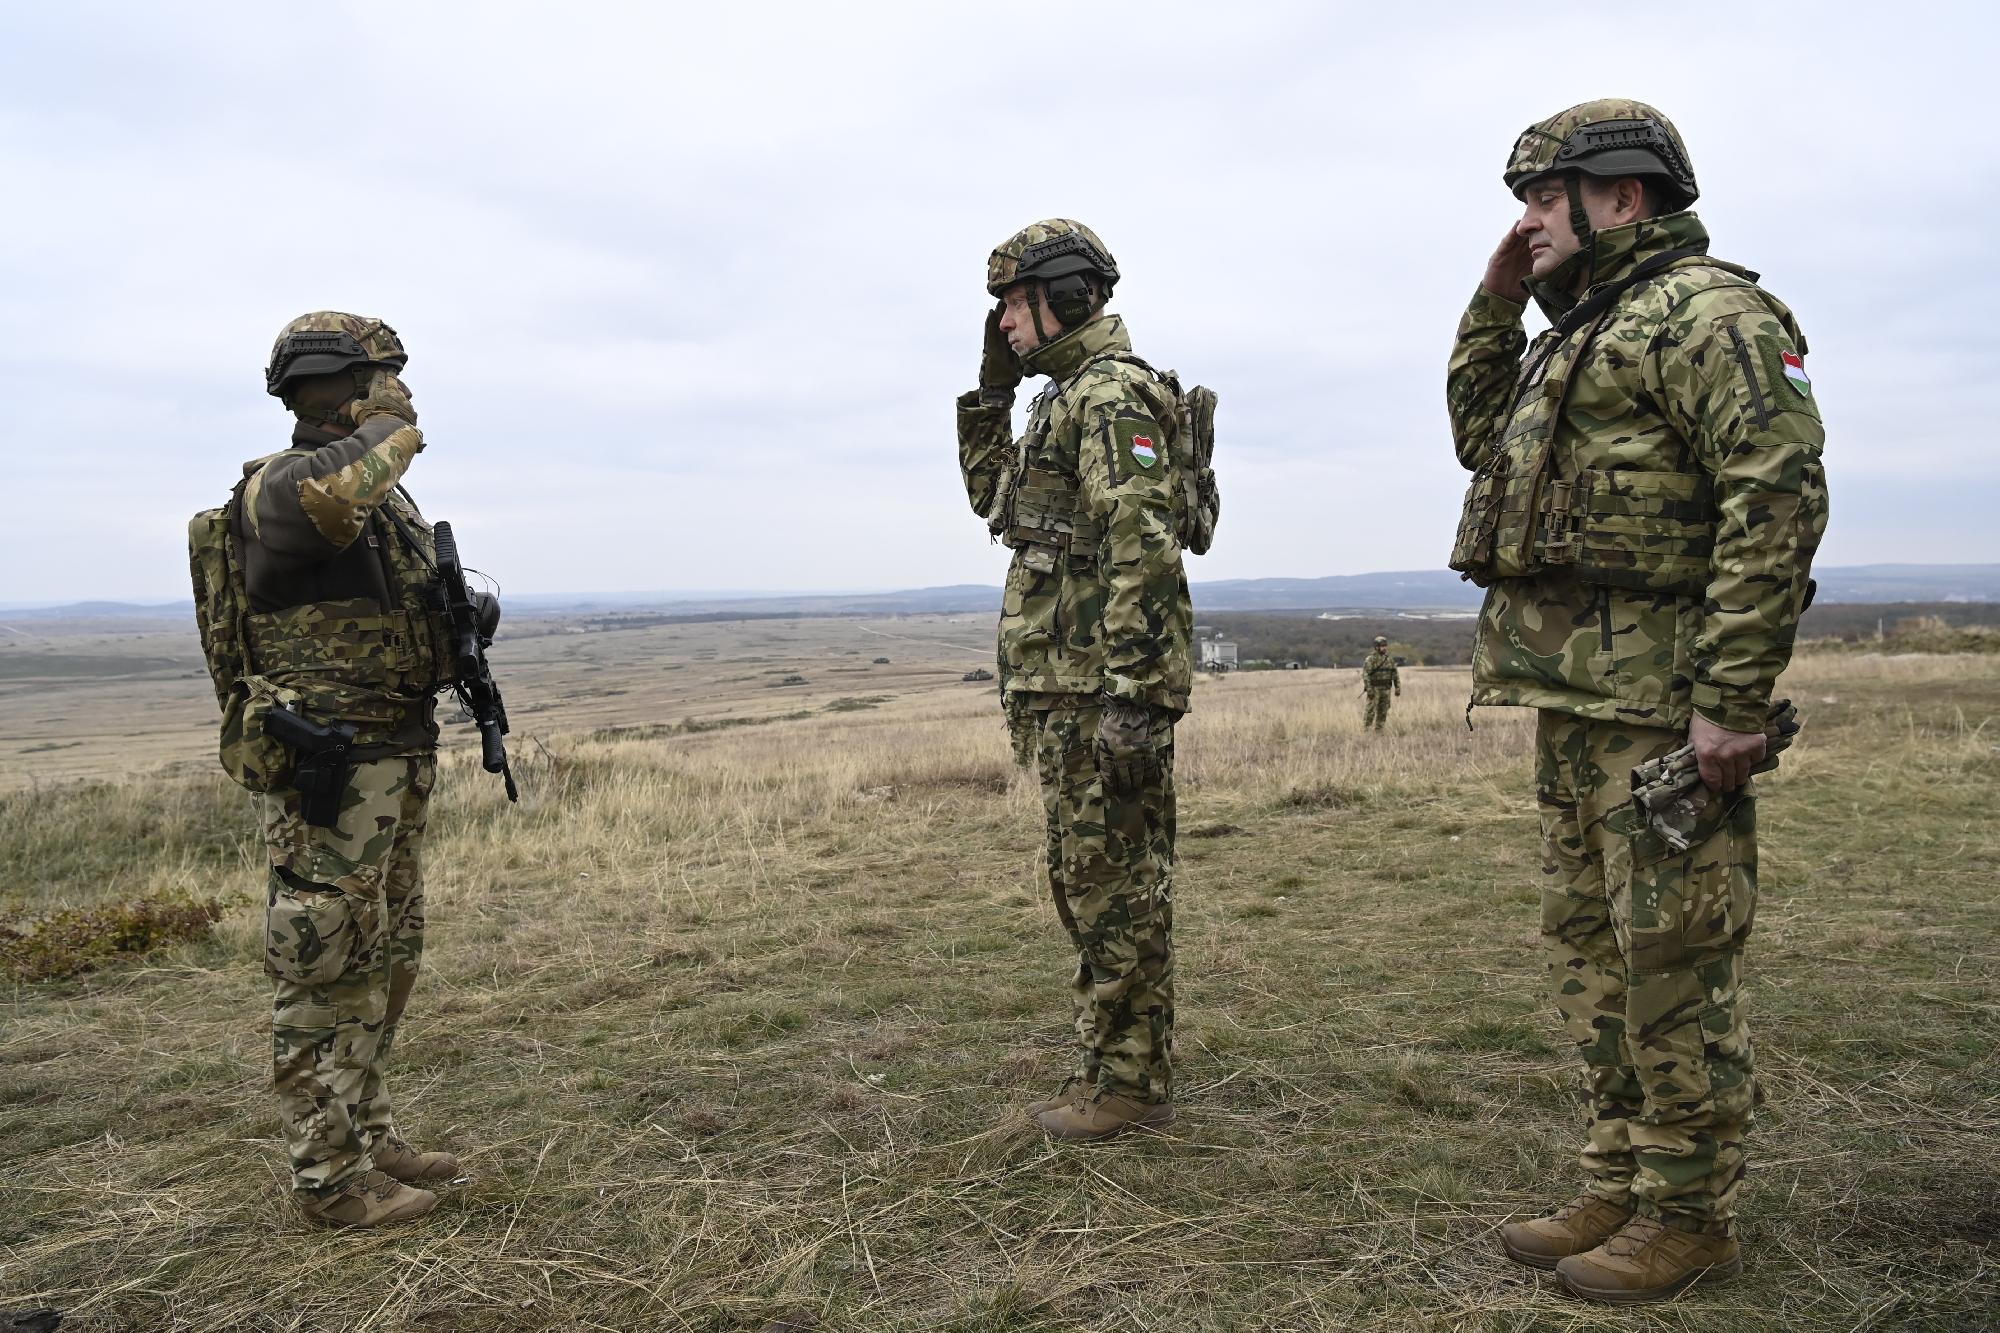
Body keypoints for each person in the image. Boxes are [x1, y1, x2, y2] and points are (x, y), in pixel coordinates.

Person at [1445, 102, 1828, 1302]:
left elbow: (1774, 496)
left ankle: (1688, 1210)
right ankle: (1616, 1172)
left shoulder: (1709, 313)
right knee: (1589, 950)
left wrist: (1728, 698)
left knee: (1672, 958)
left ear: (1621, 195)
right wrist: (1495, 300)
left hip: (1664, 708)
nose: (1522, 220)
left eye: (1538, 199)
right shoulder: (1581, 329)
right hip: (1574, 697)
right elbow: (1477, 440)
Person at [197, 313, 467, 1227]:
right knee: (324, 962)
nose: (403, 391)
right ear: (335, 381)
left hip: (392, 753)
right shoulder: (285, 485)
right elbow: (330, 501)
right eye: (387, 375)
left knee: (387, 954)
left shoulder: (377, 498)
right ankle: (331, 1183)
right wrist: (390, 426)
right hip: (332, 765)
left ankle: (368, 1131)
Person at [957, 220, 1195, 1141]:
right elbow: (994, 502)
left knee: (1115, 887)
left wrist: (1134, 695)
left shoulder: (1108, 396)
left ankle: (1127, 1083)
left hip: (1102, 693)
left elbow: (1145, 546)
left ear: (1065, 297)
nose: (1007, 324)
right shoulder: (1056, 399)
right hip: (1068, 691)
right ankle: (1118, 1066)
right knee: (1089, 881)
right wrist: (990, 390)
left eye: (1015, 305)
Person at [1361, 635, 1400, 731]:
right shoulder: (1370, 659)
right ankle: (1366, 730)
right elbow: (1366, 676)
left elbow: (1395, 674)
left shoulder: (1389, 659)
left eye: (1385, 645)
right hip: (1375, 689)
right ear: (1377, 647)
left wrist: (1397, 687)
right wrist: (1369, 690)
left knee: (1383, 710)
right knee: (1370, 711)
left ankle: (1379, 730)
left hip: (1386, 689)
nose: (1385, 647)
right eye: (1382, 646)